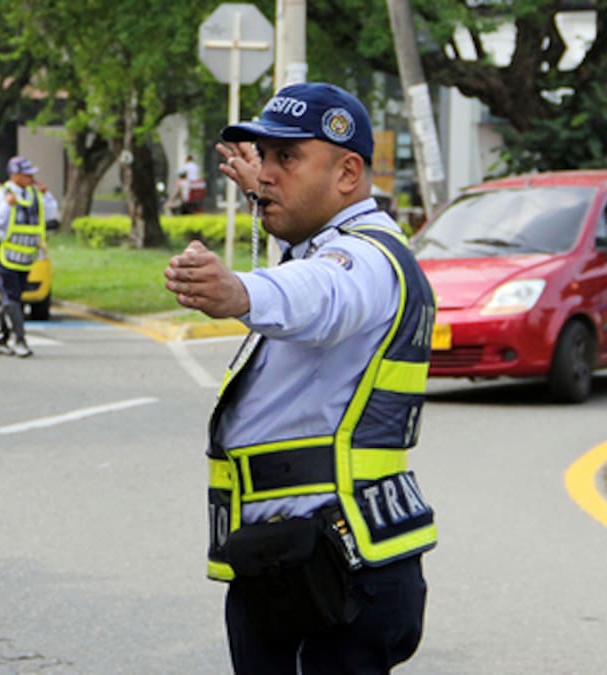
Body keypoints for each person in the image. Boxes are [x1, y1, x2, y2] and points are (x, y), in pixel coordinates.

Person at [164, 82, 437, 673]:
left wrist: (238, 291)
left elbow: (321, 295)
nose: (266, 175)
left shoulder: (363, 259)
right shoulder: (328, 245)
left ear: (347, 174)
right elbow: (309, 265)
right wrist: (270, 191)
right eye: (263, 158)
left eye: (287, 159)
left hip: (333, 570)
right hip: (301, 560)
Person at [0, 156, 57, 358]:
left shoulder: (35, 194)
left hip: (26, 255)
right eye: (26, 174)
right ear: (14, 175)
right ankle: (20, 340)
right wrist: (8, 206)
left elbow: (50, 215)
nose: (31, 177)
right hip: (5, 254)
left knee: (13, 298)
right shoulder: (0, 195)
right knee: (12, 296)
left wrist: (47, 196)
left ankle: (2, 339)